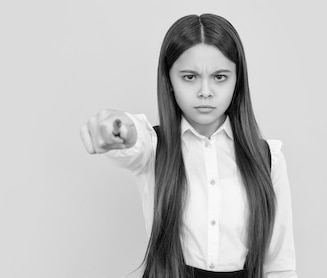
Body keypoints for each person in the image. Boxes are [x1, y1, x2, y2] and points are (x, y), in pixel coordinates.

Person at [79, 14, 297, 278]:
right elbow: (132, 140)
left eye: (219, 76)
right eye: (190, 77)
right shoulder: (154, 147)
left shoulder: (268, 158)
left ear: (237, 80)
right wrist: (117, 128)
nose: (205, 91)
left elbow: (280, 266)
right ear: (169, 80)